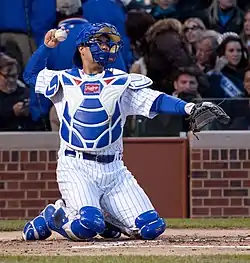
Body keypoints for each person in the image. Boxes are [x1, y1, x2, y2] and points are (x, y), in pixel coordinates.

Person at [22, 22, 223, 241]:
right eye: (100, 42)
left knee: (151, 227)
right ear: (82, 48)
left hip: (114, 170)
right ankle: (55, 214)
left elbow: (155, 100)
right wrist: (46, 48)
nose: (106, 47)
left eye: (109, 43)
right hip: (75, 166)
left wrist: (189, 107)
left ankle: (107, 221)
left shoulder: (120, 81)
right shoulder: (64, 79)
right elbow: (31, 76)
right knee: (86, 226)